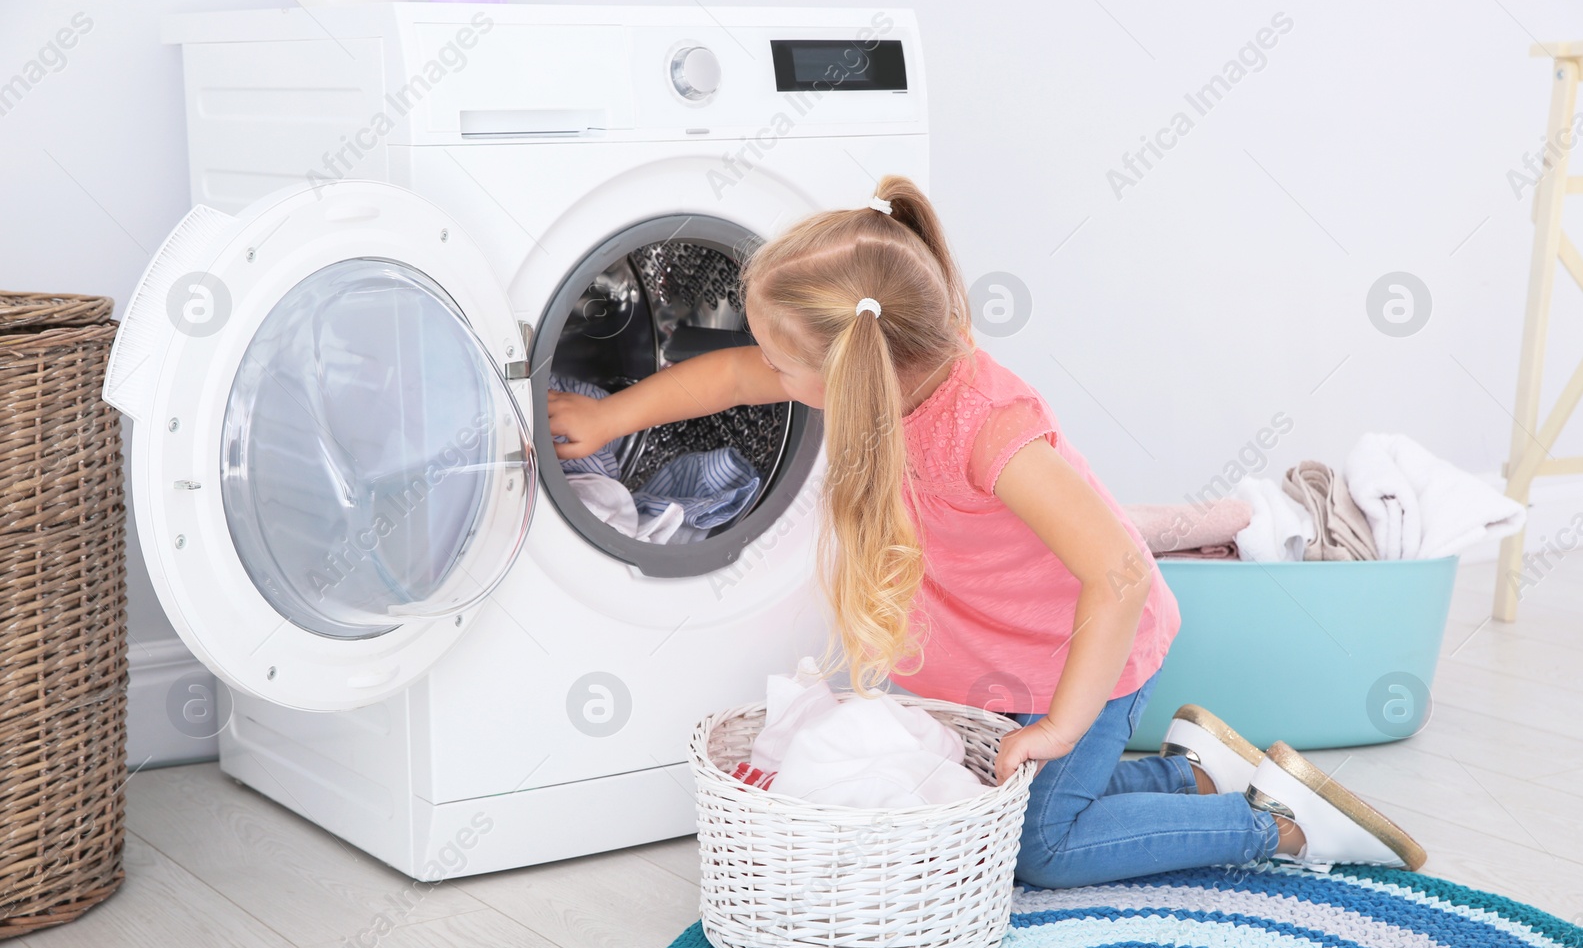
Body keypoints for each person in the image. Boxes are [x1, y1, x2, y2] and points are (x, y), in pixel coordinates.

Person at [547, 177, 1425, 886]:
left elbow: (1119, 572)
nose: (766, 371)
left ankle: (1274, 822)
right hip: (1001, 664)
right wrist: (609, 418)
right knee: (966, 809)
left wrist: (1055, 728)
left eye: (786, 363)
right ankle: (1188, 769)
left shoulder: (989, 429)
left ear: (853, 369)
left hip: (1085, 661)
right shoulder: (881, 371)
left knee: (1041, 848)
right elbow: (738, 376)